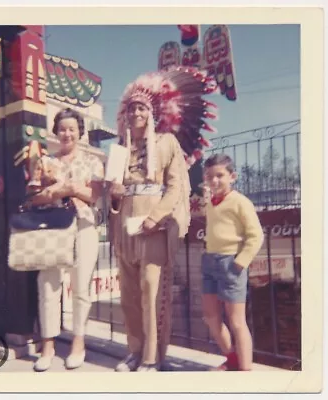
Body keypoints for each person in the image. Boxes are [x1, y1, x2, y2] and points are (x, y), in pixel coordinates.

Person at [108, 66, 219, 372]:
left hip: (154, 228)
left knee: (151, 291)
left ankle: (153, 357)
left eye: (141, 107)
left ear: (152, 110)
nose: (136, 113)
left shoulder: (167, 143)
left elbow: (176, 187)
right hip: (125, 228)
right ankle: (134, 350)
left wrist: (156, 217)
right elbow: (112, 194)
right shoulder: (119, 148)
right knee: (129, 294)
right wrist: (115, 195)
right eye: (131, 108)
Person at [28, 108, 104, 372]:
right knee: (48, 285)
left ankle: (78, 343)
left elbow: (94, 196)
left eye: (72, 128)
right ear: (56, 132)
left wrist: (68, 188)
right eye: (62, 128)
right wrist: (59, 191)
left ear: (80, 132)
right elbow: (34, 197)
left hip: (84, 227)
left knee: (81, 287)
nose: (67, 133)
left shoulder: (93, 162)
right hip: (53, 227)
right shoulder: (45, 162)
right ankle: (47, 346)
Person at [201, 153, 264, 371]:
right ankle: (232, 359)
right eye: (209, 176)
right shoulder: (211, 203)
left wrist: (240, 263)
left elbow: (256, 235)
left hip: (231, 264)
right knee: (210, 317)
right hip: (210, 263)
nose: (214, 180)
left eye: (220, 175)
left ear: (232, 176)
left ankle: (245, 372)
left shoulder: (240, 202)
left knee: (237, 322)